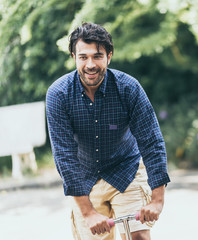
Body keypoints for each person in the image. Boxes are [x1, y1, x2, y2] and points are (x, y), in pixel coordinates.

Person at [46, 22, 170, 240]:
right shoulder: (58, 94)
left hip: (126, 170)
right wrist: (88, 212)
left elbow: (151, 142)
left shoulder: (128, 88)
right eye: (83, 57)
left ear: (109, 56)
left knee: (139, 237)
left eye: (97, 56)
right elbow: (64, 156)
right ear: (73, 57)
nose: (90, 64)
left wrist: (157, 200)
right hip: (84, 179)